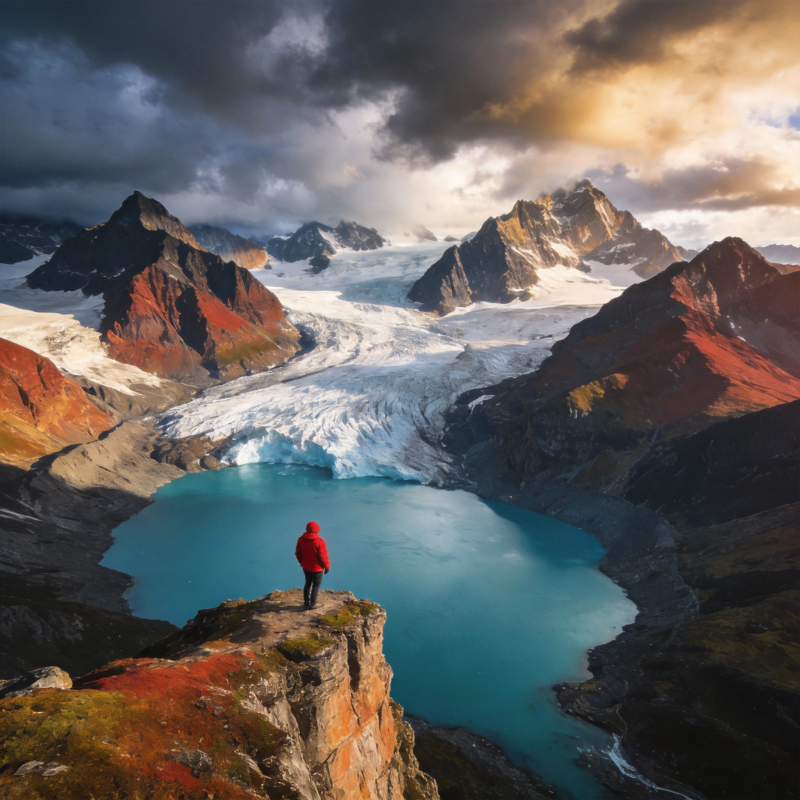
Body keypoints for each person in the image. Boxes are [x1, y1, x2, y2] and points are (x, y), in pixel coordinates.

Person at [295, 521, 329, 609]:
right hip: (317, 569)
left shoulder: (300, 539)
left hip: (306, 567)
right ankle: (313, 604)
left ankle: (306, 602)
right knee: (316, 586)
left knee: (307, 583)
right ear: (317, 529)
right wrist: (327, 567)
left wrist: (302, 562)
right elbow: (323, 557)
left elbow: (298, 553)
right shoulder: (320, 541)